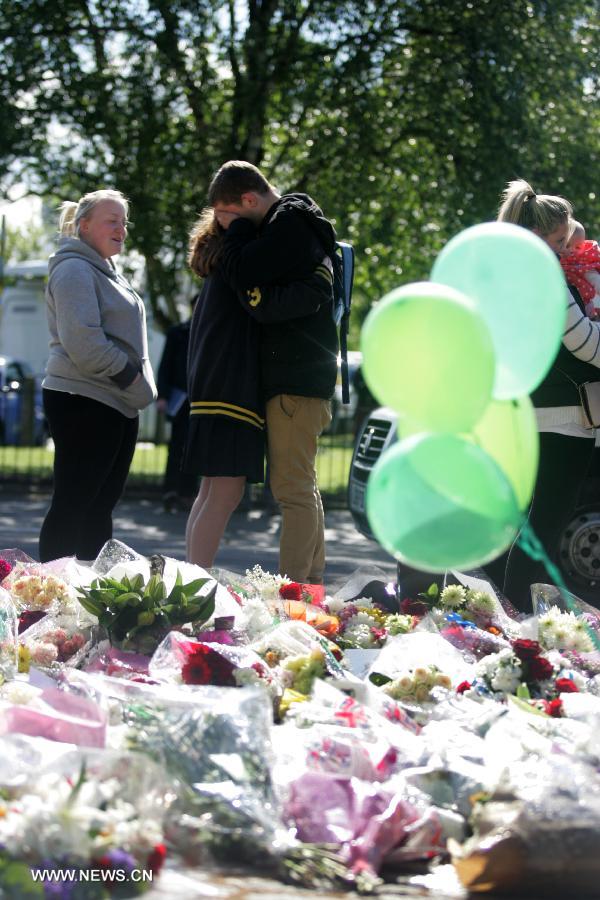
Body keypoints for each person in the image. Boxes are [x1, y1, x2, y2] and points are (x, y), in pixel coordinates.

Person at [209, 160, 338, 585]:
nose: (228, 233)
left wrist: (241, 237)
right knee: (303, 486)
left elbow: (243, 271)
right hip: (305, 381)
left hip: (293, 382)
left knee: (292, 492)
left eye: (230, 221)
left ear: (249, 200)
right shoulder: (298, 225)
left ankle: (294, 593)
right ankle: (311, 585)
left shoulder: (288, 221)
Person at [184, 208, 333, 569]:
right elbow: (273, 307)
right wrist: (321, 280)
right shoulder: (237, 270)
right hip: (231, 394)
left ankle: (189, 578)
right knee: (224, 494)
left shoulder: (218, 269)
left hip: (213, 392)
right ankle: (193, 582)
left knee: (210, 493)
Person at [495, 178, 600, 609]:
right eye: (559, 240)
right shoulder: (544, 279)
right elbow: (587, 345)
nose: (563, 250)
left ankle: (517, 612)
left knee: (540, 524)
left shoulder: (515, 277)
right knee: (546, 525)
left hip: (540, 411)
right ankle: (516, 615)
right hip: (563, 416)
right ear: (538, 235)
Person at [39, 189, 157, 563]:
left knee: (98, 508)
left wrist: (139, 387)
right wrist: (133, 381)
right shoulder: (74, 268)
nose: (121, 228)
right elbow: (84, 344)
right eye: (112, 220)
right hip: (84, 400)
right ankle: (47, 602)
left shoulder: (105, 270)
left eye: (124, 221)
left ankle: (87, 597)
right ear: (83, 225)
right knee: (73, 505)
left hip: (114, 404)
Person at [156, 298, 199, 511]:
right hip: (180, 398)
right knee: (176, 447)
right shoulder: (177, 333)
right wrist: (162, 395)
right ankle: (170, 491)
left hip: (201, 399)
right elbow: (165, 365)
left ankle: (189, 493)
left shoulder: (210, 333)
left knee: (196, 449)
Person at [559, 219, 600, 319]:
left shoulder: (583, 261)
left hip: (589, 300)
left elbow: (595, 279)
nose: (572, 250)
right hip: (570, 301)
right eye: (567, 245)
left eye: (577, 247)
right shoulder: (558, 258)